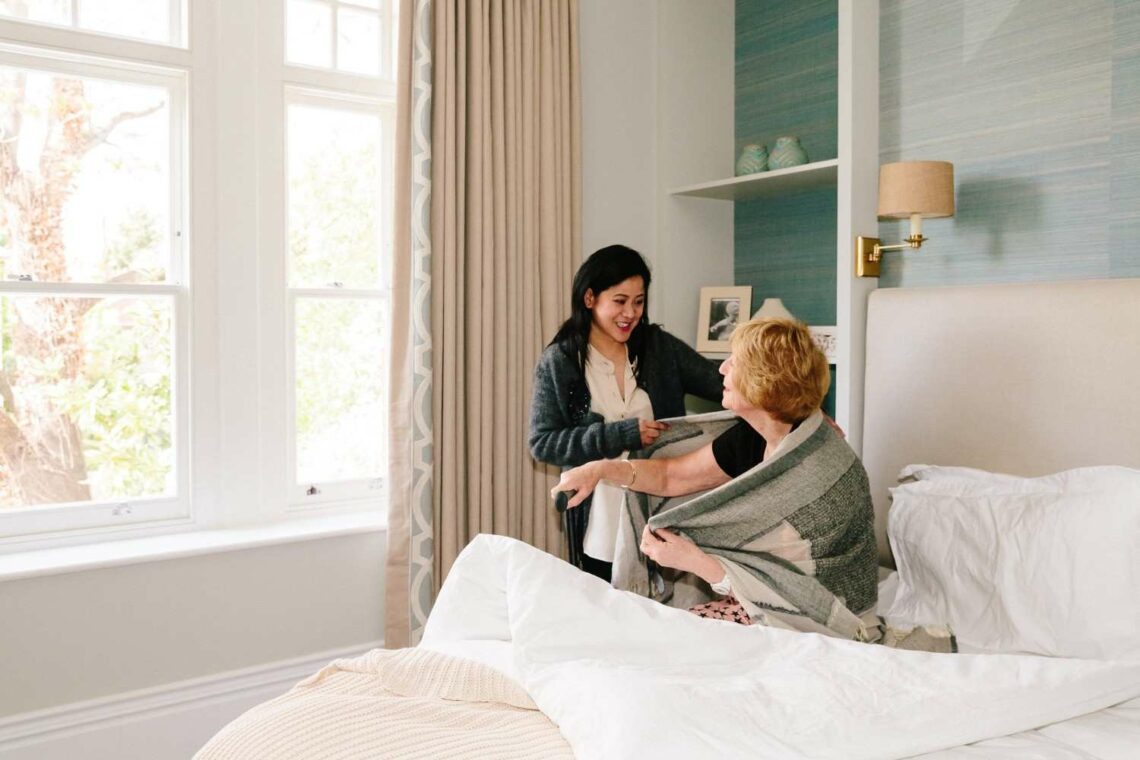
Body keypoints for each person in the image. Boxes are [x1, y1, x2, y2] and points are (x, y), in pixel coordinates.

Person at [551, 318, 880, 639]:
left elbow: (798, 589)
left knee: (668, 638)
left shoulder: (816, 470)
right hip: (764, 607)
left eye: (734, 362)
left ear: (764, 380)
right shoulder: (753, 436)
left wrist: (694, 561)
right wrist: (601, 469)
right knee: (649, 631)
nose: (721, 369)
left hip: (824, 621)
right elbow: (671, 476)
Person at [529, 244, 724, 582]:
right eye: (619, 301)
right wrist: (621, 435)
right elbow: (543, 443)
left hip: (662, 514)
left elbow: (725, 385)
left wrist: (794, 407)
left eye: (639, 301)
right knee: (609, 619)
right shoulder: (560, 362)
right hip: (600, 525)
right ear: (590, 298)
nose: (630, 313)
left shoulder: (660, 348)